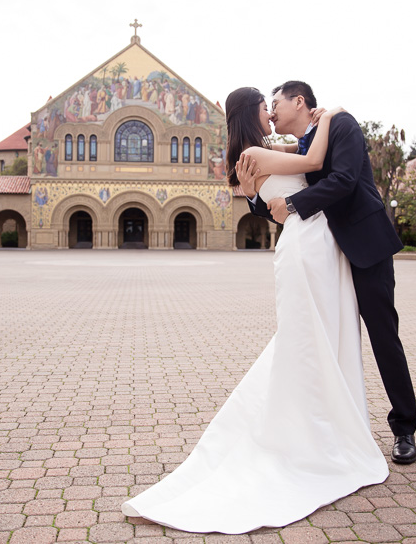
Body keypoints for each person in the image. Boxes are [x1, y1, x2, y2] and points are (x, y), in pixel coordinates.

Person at [121, 87, 389, 534]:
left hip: (314, 244)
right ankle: (316, 432)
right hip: (307, 248)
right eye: (266, 106)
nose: (271, 112)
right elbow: (312, 162)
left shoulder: (259, 153)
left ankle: (326, 424)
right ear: (252, 112)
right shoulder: (253, 154)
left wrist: (258, 192)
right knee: (310, 338)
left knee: (320, 335)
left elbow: (298, 163)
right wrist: (330, 115)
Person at [238, 80, 416, 466]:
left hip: (364, 248)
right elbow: (273, 196)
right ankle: (331, 425)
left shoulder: (340, 125)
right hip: (323, 257)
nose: (272, 112)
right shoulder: (300, 146)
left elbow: (345, 180)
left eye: (276, 103)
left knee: (383, 337)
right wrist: (253, 193)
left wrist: (293, 203)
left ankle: (404, 428)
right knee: (326, 339)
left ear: (299, 101)